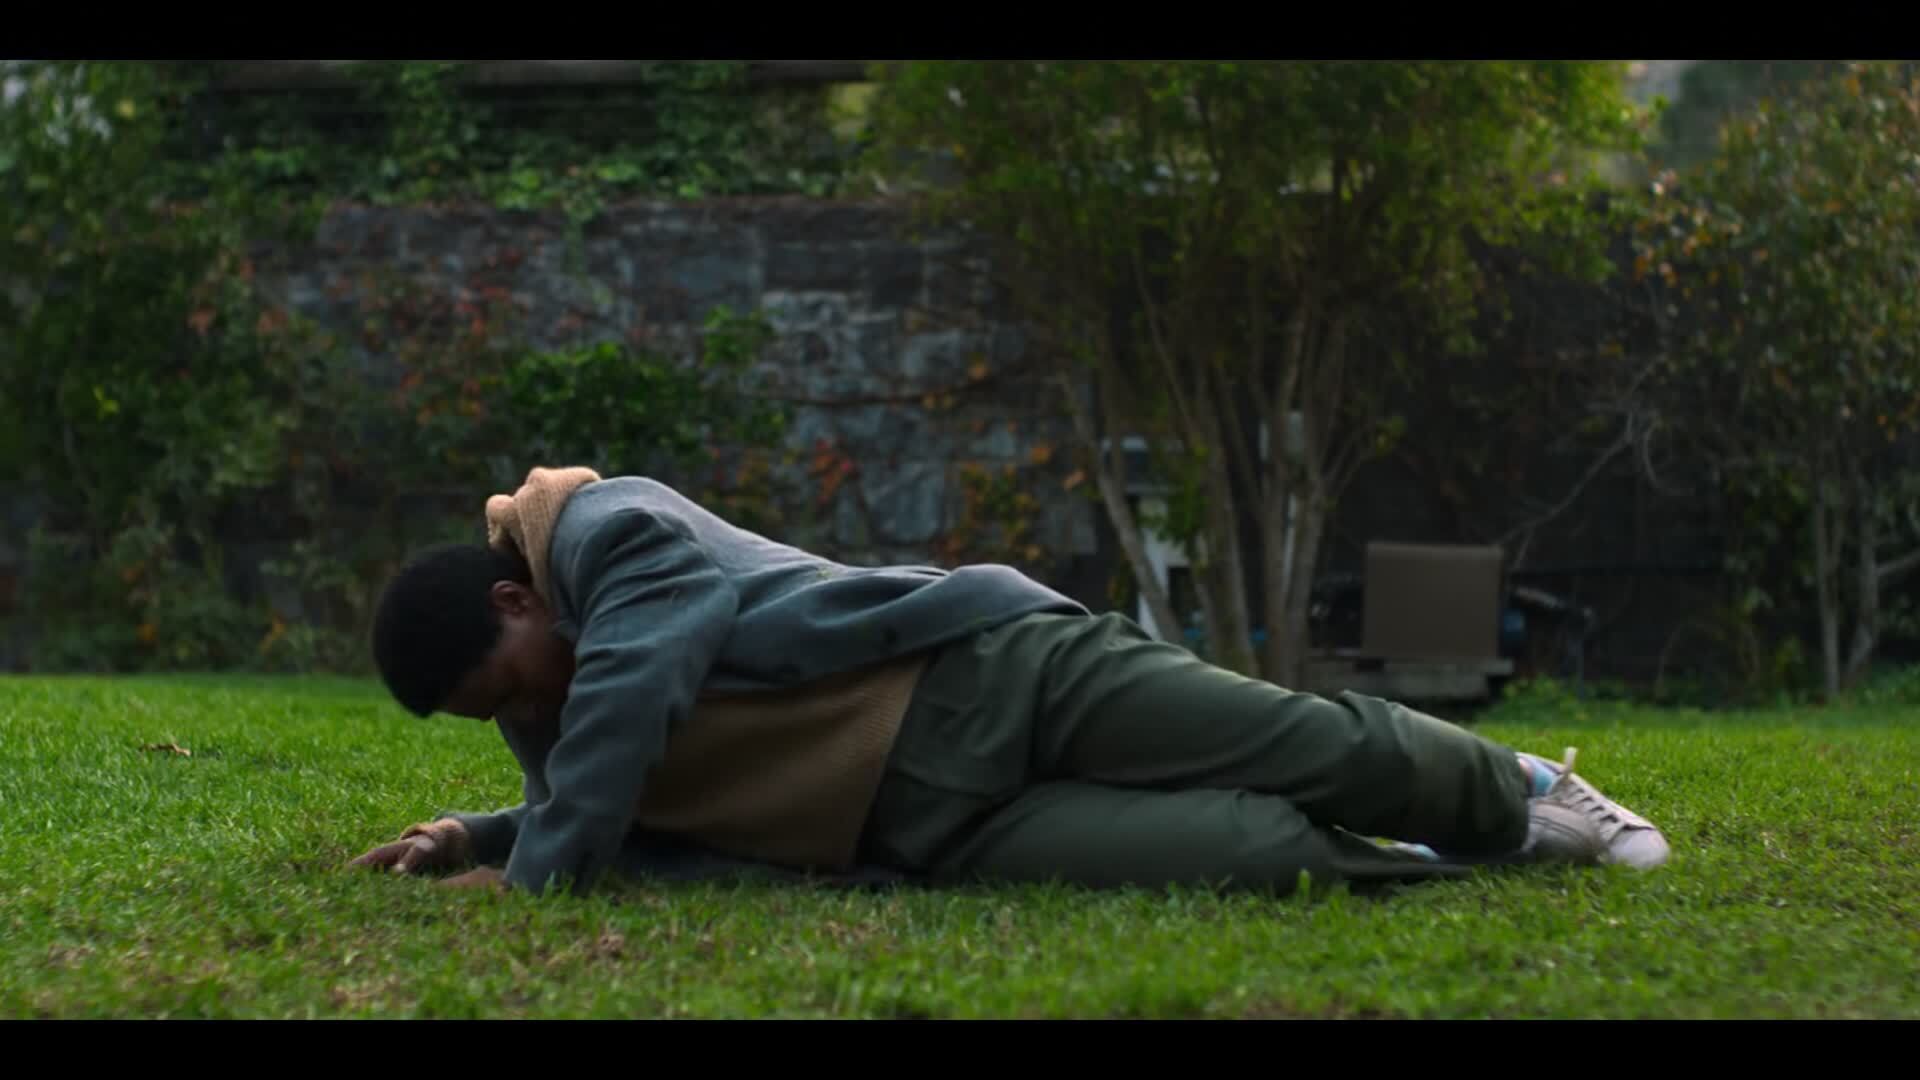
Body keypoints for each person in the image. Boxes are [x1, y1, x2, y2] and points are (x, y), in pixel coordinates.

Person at [350, 466, 1669, 897]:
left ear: (517, 598)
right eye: (498, 720)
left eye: (512, 687)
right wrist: (481, 832)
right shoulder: (561, 717)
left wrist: (531, 877)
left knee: (1295, 742)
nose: (529, 715)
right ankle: (1449, 855)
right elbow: (605, 804)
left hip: (991, 674)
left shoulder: (606, 532)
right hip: (934, 822)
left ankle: (1522, 790)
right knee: (1252, 856)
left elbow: (637, 687)